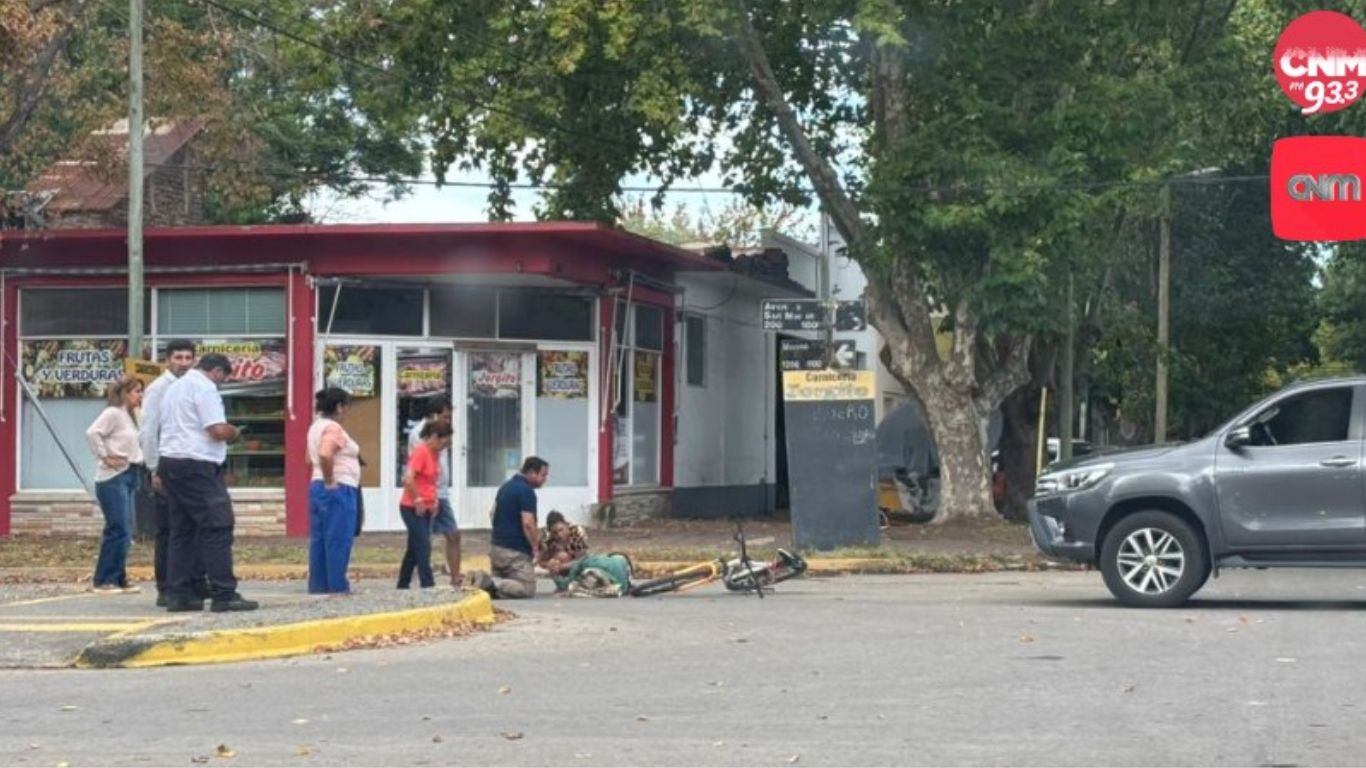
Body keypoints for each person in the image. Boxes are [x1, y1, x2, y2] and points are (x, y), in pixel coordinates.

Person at [158, 354, 257, 612]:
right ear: (216, 371)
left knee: (183, 529)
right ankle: (224, 592)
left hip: (171, 461)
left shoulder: (174, 388)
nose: (223, 382)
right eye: (224, 377)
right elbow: (217, 430)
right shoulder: (204, 387)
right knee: (218, 525)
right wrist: (235, 432)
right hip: (197, 464)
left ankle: (180, 593)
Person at [139, 339, 205, 607]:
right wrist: (154, 468)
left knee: (188, 528)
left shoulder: (192, 386)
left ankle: (189, 582)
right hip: (165, 467)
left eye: (188, 358)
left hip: (186, 466)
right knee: (167, 530)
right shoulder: (158, 389)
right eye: (178, 358)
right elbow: (148, 431)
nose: (183, 363)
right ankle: (165, 586)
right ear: (168, 360)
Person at [84, 376, 146, 594]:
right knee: (117, 527)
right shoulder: (113, 413)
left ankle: (118, 577)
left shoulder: (134, 416)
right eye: (136, 391)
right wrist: (105, 456)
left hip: (132, 472)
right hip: (113, 476)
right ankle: (103, 580)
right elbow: (92, 433)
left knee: (126, 529)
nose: (140, 395)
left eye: (141, 391)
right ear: (124, 393)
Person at [307, 387, 361, 594]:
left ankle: (319, 586)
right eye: (346, 407)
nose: (347, 412)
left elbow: (309, 458)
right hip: (338, 487)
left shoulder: (315, 427)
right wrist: (330, 479)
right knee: (338, 538)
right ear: (339, 407)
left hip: (316, 485)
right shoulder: (333, 428)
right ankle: (338, 586)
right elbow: (325, 453)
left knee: (320, 539)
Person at [473, 457, 550, 599]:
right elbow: (528, 523)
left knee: (497, 592)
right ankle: (491, 582)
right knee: (526, 589)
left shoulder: (506, 486)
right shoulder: (526, 491)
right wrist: (535, 547)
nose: (545, 479)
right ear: (532, 472)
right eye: (543, 475)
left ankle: (490, 584)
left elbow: (492, 513)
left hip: (496, 549)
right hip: (515, 553)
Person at [407, 397, 460, 585]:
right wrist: (421, 498)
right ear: (435, 414)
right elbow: (415, 471)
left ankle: (455, 578)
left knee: (453, 534)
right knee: (422, 540)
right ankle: (419, 578)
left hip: (441, 493)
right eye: (445, 416)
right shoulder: (419, 435)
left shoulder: (443, 432)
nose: (448, 420)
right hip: (426, 494)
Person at [398, 420, 453, 589]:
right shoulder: (421, 452)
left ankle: (403, 583)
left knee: (414, 547)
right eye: (445, 441)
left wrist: (434, 500)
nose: (446, 446)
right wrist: (417, 499)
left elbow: (431, 481)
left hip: (428, 506)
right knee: (423, 544)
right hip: (412, 506)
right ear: (435, 437)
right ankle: (427, 583)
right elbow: (408, 478)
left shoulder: (435, 455)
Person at [538, 510, 589, 580]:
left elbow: (583, 559)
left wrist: (562, 566)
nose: (559, 535)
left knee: (564, 557)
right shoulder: (546, 538)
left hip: (574, 559)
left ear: (565, 525)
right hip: (556, 561)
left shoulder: (577, 532)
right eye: (555, 533)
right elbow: (540, 561)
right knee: (561, 556)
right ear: (550, 532)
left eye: (561, 530)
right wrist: (549, 564)